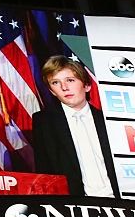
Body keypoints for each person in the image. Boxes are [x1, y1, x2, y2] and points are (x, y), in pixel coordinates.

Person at [31, 55, 120, 198]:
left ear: (86, 85)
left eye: (70, 80)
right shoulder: (44, 123)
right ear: (52, 91)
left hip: (119, 201)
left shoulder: (108, 120)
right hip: (75, 206)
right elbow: (45, 173)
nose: (64, 88)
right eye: (55, 83)